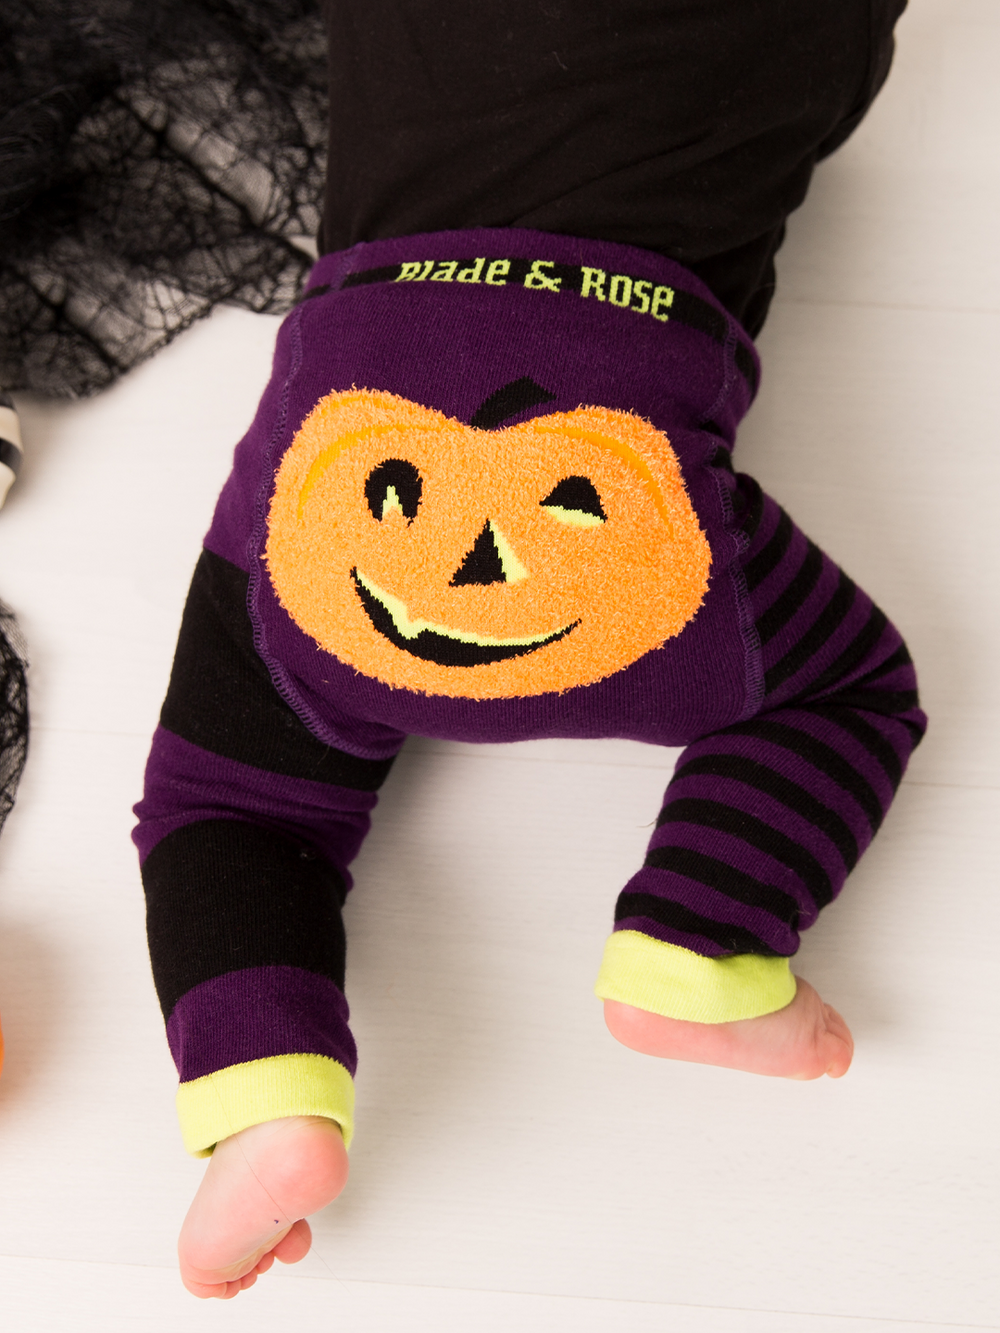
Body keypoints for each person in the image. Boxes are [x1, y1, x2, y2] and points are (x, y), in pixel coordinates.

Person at [132, 0, 920, 1299]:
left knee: (231, 806)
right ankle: (700, 941)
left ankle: (264, 1102)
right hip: (621, 525)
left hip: (350, 462)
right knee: (844, 691)